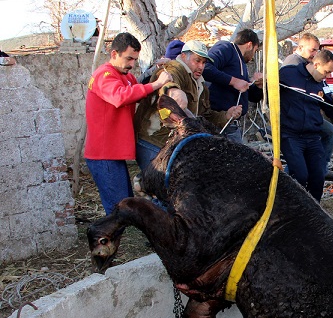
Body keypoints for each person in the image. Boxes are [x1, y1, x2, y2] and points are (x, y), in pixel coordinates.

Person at [84, 32, 172, 215]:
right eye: (129, 59)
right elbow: (120, 96)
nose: (132, 64)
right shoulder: (104, 75)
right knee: (118, 207)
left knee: (123, 203)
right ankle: (107, 242)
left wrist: (155, 71)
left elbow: (138, 88)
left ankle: (111, 241)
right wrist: (157, 84)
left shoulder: (123, 75)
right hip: (103, 154)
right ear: (114, 53)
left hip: (112, 153)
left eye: (135, 60)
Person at [134, 40, 242, 171]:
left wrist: (226, 115)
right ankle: (143, 181)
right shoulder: (173, 68)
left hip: (174, 146)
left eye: (203, 62)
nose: (201, 66)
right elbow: (168, 81)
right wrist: (174, 91)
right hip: (153, 142)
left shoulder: (201, 86)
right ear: (184, 56)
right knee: (161, 184)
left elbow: (205, 115)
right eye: (197, 61)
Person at [279, 49, 333, 201]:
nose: (327, 76)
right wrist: (258, 85)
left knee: (318, 177)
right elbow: (261, 92)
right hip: (291, 135)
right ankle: (293, 208)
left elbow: (332, 110)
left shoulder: (320, 84)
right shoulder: (287, 74)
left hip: (312, 136)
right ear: (316, 64)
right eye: (326, 72)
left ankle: (315, 210)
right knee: (300, 175)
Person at [282, 32, 333, 179]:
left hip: (308, 118)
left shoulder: (312, 66)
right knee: (329, 132)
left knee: (329, 132)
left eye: (317, 50)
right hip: (295, 122)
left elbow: (319, 86)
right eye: (312, 50)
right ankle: (299, 174)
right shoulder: (293, 64)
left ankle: (318, 169)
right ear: (300, 47)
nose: (315, 54)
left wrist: (331, 97)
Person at [203, 29, 263, 143]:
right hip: (218, 121)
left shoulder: (241, 64)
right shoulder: (226, 48)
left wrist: (258, 85)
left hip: (233, 125)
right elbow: (206, 68)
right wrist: (234, 81)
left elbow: (251, 97)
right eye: (255, 51)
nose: (253, 57)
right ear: (249, 45)